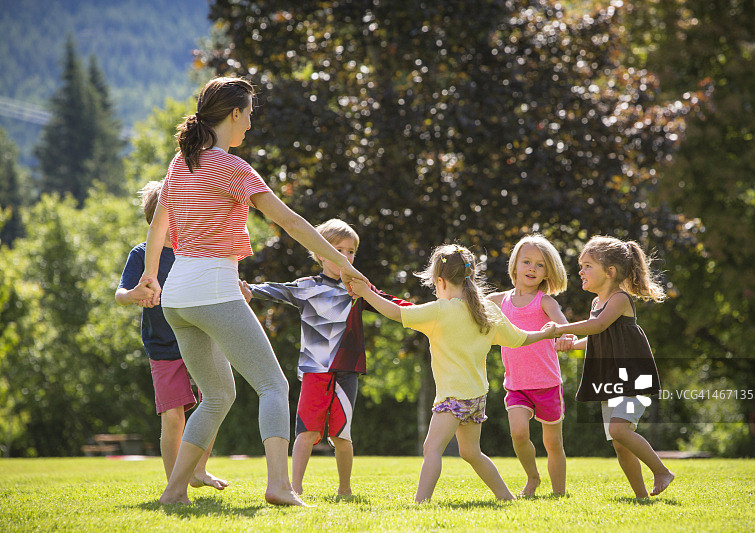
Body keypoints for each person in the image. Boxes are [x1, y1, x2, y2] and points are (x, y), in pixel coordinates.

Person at [138, 77, 367, 506]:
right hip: (213, 291)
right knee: (273, 385)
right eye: (249, 116)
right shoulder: (233, 169)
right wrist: (343, 265)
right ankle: (279, 486)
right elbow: (291, 222)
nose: (250, 126)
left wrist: (151, 275)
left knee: (219, 395)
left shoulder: (180, 164)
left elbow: (157, 228)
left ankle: (173, 492)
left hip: (177, 298)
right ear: (233, 114)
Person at [349, 244, 556, 503]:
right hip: (476, 398)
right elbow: (519, 338)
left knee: (432, 447)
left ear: (440, 281)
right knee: (471, 452)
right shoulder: (487, 310)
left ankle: (420, 503)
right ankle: (506, 497)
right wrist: (546, 333)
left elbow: (395, 312)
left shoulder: (440, 310)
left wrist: (365, 292)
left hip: (453, 399)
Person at [240, 218, 411, 497]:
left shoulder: (358, 288)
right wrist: (249, 290)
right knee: (306, 433)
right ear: (320, 252)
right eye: (338, 250)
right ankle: (294, 488)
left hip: (346, 371)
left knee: (341, 435)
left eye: (351, 251)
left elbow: (391, 302)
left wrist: (426, 312)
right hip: (314, 371)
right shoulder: (307, 286)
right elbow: (272, 289)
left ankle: (345, 489)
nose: (345, 256)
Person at [115, 181, 227, 491]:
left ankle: (199, 470)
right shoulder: (140, 254)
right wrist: (134, 293)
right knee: (173, 417)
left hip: (200, 340)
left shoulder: (192, 253)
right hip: (162, 346)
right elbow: (120, 294)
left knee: (214, 401)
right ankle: (174, 485)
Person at [544, 235, 675, 498]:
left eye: (587, 266)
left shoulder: (619, 299)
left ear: (610, 271)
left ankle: (661, 471)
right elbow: (597, 337)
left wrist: (560, 328)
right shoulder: (596, 303)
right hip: (612, 380)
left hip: (632, 378)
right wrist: (573, 344)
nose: (581, 271)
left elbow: (598, 326)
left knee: (618, 429)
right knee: (620, 443)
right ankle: (641, 496)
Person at [487, 234, 573, 497]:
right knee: (519, 433)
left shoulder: (545, 302)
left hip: (547, 384)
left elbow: (564, 328)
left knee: (553, 442)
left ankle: (559, 493)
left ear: (547, 271)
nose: (532, 268)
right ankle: (532, 478)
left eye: (540, 265)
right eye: (527, 262)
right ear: (514, 266)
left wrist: (566, 336)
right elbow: (468, 309)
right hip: (516, 385)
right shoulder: (498, 301)